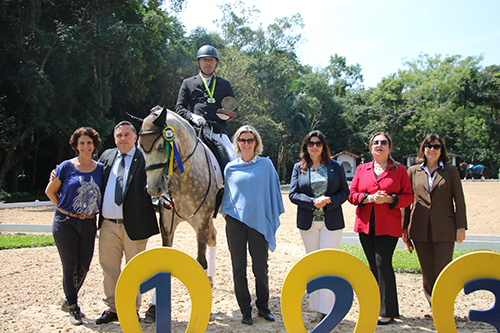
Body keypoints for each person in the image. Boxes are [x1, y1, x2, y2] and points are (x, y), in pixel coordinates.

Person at [95, 121, 159, 324]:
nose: (122, 138)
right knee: (109, 268)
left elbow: (159, 182)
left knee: (134, 270)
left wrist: (166, 200)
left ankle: (131, 309)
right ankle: (113, 308)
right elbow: (90, 173)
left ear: (135, 138)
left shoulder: (145, 157)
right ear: (115, 138)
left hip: (135, 224)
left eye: (126, 135)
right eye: (119, 135)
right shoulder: (106, 156)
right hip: (108, 225)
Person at [220, 125, 284, 325]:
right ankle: (245, 310)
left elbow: (272, 192)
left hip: (258, 223)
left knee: (260, 268)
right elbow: (228, 196)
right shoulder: (230, 167)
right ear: (237, 143)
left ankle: (263, 307)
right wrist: (226, 212)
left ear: (256, 142)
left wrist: (266, 215)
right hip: (235, 223)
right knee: (238, 268)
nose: (246, 143)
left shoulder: (266, 165)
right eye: (242, 140)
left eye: (250, 140)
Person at [348, 132, 414, 325]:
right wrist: (368, 198)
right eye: (375, 143)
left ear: (389, 148)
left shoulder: (400, 170)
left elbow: (409, 196)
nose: (379, 145)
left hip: (389, 224)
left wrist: (391, 199)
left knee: (383, 263)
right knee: (372, 265)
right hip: (366, 224)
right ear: (371, 148)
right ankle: (375, 306)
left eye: (383, 143)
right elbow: (352, 195)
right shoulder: (362, 169)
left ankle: (388, 311)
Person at [403, 134, 467, 318]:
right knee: (428, 269)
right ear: (423, 148)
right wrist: (404, 227)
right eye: (428, 146)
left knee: (443, 267)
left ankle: (444, 303)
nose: (432, 149)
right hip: (419, 226)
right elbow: (407, 201)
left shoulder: (451, 171)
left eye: (436, 146)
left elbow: (459, 200)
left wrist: (461, 226)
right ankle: (433, 305)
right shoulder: (413, 171)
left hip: (445, 226)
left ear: (441, 150)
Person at [289, 130, 349, 322]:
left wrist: (329, 200)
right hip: (309, 224)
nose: (314, 146)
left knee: (328, 264)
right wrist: (312, 202)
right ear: (305, 147)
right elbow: (293, 194)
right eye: (310, 143)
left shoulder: (336, 166)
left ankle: (330, 309)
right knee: (313, 266)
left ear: (324, 147)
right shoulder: (299, 167)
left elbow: (344, 192)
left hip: (331, 223)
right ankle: (317, 309)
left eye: (318, 143)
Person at [45, 127, 103, 325]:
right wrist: (64, 207)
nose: (85, 146)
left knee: (84, 266)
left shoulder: (101, 169)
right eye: (82, 143)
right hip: (65, 223)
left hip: (88, 223)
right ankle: (73, 307)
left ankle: (68, 298)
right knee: (69, 266)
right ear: (76, 146)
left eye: (89, 142)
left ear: (94, 145)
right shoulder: (65, 167)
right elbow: (50, 191)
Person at [175, 44, 237, 162]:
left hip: (217, 131)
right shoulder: (187, 83)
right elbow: (179, 108)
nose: (208, 63)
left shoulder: (225, 84)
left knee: (232, 158)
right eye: (204, 60)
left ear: (216, 63)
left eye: (211, 60)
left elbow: (233, 110)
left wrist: (227, 115)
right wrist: (192, 116)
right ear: (198, 62)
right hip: (193, 130)